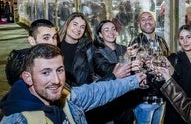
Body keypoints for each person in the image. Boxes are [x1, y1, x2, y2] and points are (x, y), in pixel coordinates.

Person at [0, 44, 147, 123]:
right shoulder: (18, 120)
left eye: (59, 70)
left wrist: (135, 80)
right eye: (45, 73)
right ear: (28, 78)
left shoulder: (67, 98)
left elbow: (99, 91)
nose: (57, 81)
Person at [87, 20, 136, 124]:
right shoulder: (96, 51)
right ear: (100, 34)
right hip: (108, 103)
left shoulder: (123, 48)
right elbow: (106, 69)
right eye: (107, 30)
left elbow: (132, 72)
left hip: (125, 100)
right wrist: (126, 58)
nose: (111, 32)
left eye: (113, 29)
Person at [129, 11, 170, 124]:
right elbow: (131, 68)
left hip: (161, 97)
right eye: (143, 19)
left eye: (149, 18)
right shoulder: (135, 42)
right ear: (139, 24)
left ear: (155, 22)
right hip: (144, 100)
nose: (147, 21)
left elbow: (167, 63)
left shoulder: (162, 41)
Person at [5, 19, 58, 86]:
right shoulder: (22, 65)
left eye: (54, 37)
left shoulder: (56, 58)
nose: (53, 43)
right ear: (32, 41)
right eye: (46, 38)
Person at [163, 24, 191, 124]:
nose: (185, 41)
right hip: (176, 109)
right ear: (178, 41)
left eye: (188, 37)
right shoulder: (174, 59)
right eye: (181, 38)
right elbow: (167, 84)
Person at [58, 12, 95, 87]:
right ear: (67, 24)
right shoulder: (55, 45)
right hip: (60, 92)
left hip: (82, 92)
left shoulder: (88, 47)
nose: (78, 29)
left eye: (82, 27)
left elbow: (99, 66)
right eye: (75, 24)